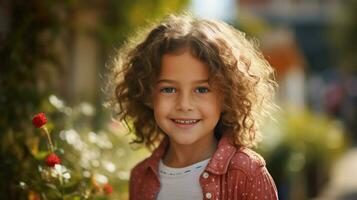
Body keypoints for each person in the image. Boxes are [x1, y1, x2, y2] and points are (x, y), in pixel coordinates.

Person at [110, 13, 279, 200]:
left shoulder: (247, 172)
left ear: (227, 96)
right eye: (168, 89)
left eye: (201, 89)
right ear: (148, 95)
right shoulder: (140, 177)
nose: (184, 104)